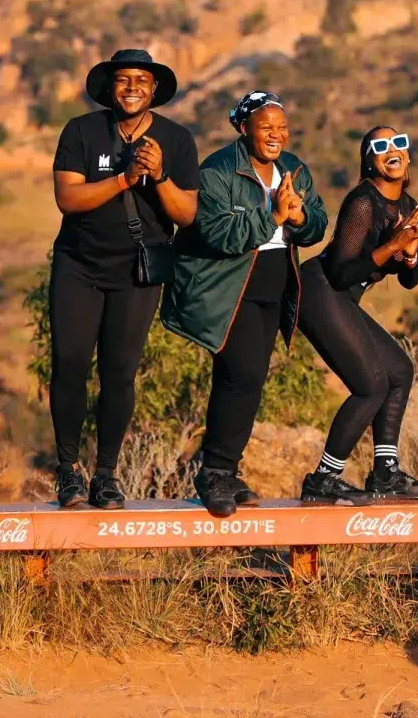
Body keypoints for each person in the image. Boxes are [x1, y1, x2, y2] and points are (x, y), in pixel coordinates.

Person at [162, 91, 328, 518]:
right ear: (243, 128)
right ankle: (214, 473)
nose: (276, 134)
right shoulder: (218, 171)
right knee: (240, 374)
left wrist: (300, 218)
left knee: (250, 380)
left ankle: (226, 471)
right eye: (265, 126)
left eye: (282, 127)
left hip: (274, 285)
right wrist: (273, 216)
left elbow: (318, 224)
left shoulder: (293, 169)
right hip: (230, 286)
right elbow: (219, 234)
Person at [48, 49, 201, 510]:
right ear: (109, 87)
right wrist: (124, 178)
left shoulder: (176, 139)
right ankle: (68, 471)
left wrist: (158, 176)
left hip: (137, 271)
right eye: (123, 79)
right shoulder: (81, 131)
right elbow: (68, 199)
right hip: (78, 266)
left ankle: (106, 475)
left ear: (154, 90)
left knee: (119, 372)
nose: (132, 87)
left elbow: (186, 215)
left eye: (141, 80)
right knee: (70, 365)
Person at [296, 125, 418, 504]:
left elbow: (410, 280)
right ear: (369, 160)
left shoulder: (408, 206)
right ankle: (323, 479)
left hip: (341, 298)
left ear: (408, 157)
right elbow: (341, 272)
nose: (392, 149)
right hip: (319, 291)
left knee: (399, 371)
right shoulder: (362, 202)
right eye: (381, 145)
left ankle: (385, 473)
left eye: (399, 143)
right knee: (370, 385)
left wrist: (410, 252)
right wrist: (391, 246)